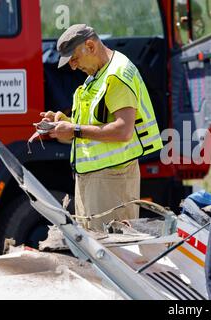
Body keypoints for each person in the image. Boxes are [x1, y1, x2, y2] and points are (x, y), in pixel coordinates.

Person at [41, 24, 163, 231]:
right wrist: (65, 122)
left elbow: (123, 130)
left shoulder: (116, 75)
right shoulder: (98, 74)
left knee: (112, 251)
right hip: (96, 178)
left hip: (112, 180)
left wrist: (75, 130)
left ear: (90, 46)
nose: (72, 66)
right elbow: (94, 124)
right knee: (93, 250)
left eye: (74, 59)